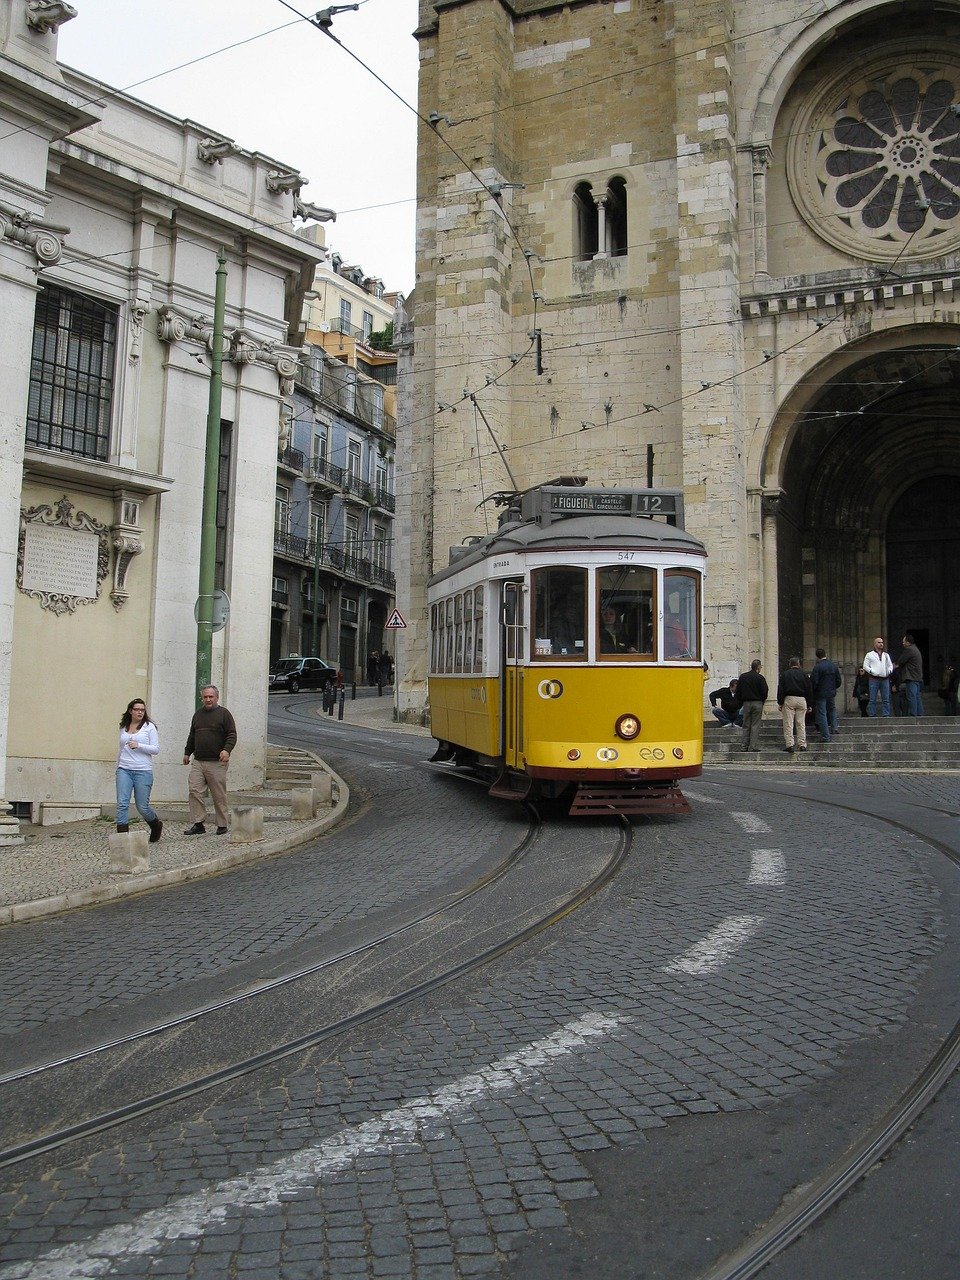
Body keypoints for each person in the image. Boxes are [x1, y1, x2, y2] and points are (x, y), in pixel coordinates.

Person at [182, 685, 237, 835]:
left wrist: (227, 750)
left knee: (218, 795)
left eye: (210, 697)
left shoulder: (224, 714)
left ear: (216, 698)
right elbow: (192, 735)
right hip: (199, 761)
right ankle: (198, 823)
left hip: (217, 762)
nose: (208, 699)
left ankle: (222, 824)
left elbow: (232, 734)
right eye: (205, 697)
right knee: (194, 790)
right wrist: (187, 753)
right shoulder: (197, 715)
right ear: (202, 698)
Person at [116, 698, 162, 841]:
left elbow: (156, 749)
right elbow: (121, 748)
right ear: (131, 711)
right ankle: (123, 840)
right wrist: (118, 766)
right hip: (124, 769)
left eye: (142, 710)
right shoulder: (124, 727)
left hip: (142, 771)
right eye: (137, 709)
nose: (140, 712)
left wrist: (139, 745)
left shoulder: (149, 727)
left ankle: (156, 825)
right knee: (122, 803)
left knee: (142, 806)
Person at [776, 657, 812, 753]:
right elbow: (809, 689)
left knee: (788, 723)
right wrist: (809, 704)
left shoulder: (785, 674)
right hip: (802, 699)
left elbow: (781, 689)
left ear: (790, 665)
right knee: (801, 723)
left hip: (789, 698)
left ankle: (790, 744)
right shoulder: (804, 675)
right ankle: (802, 744)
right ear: (799, 664)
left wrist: (780, 702)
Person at [810, 646, 842, 743]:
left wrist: (814, 691)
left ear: (817, 657)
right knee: (832, 709)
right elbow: (838, 680)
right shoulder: (833, 665)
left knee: (822, 713)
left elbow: (814, 681)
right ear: (825, 655)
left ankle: (825, 736)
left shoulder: (817, 667)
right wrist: (833, 687)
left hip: (820, 693)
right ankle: (834, 728)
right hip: (831, 692)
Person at [734, 659, 768, 752]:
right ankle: (752, 746)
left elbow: (738, 691)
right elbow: (764, 691)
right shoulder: (760, 678)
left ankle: (744, 746)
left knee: (746, 725)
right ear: (758, 667)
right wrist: (762, 700)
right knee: (755, 725)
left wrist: (740, 701)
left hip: (746, 703)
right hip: (757, 702)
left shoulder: (743, 677)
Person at [862, 636, 894, 717]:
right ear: (875, 644)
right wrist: (872, 671)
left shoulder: (886, 655)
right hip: (874, 679)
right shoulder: (869, 655)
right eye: (879, 642)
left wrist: (889, 671)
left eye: (882, 642)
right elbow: (865, 666)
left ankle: (886, 714)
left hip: (885, 679)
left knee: (886, 699)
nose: (881, 644)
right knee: (872, 699)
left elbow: (890, 665)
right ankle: (872, 714)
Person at [896, 633, 924, 717]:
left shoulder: (909, 650)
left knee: (911, 696)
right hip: (917, 677)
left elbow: (901, 661)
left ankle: (913, 714)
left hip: (911, 677)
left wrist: (895, 665)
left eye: (904, 642)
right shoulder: (915, 649)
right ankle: (919, 713)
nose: (903, 643)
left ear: (908, 642)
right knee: (917, 696)